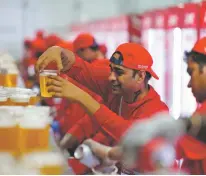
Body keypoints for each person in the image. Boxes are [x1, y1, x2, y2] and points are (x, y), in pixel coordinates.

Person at [35, 42, 168, 174]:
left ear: (140, 76)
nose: (111, 77)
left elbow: (128, 135)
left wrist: (81, 97)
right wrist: (59, 52)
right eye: (111, 69)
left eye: (119, 72)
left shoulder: (157, 112)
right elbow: (83, 70)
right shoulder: (116, 87)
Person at [80, 37, 206, 175]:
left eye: (191, 72)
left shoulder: (155, 110)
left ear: (140, 76)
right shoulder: (119, 100)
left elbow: (158, 149)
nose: (111, 78)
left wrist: (109, 154)